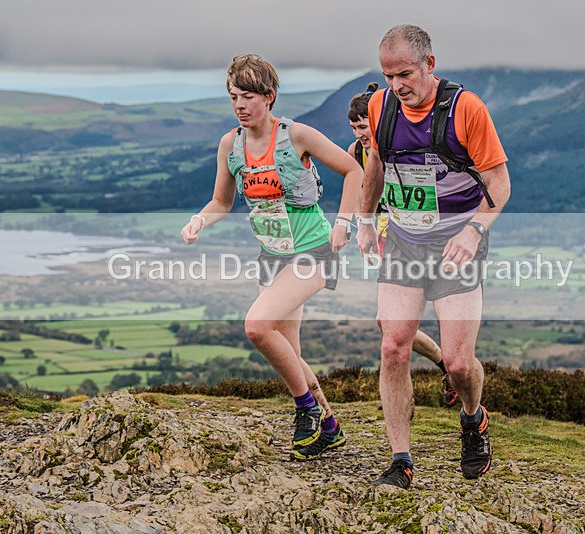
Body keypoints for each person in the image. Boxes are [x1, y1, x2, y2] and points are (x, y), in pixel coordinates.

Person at [181, 54, 363, 461]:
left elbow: (354, 171)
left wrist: (343, 223)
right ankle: (329, 427)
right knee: (290, 354)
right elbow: (221, 202)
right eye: (234, 97)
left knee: (257, 327)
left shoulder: (297, 135)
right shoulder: (230, 145)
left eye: (248, 96)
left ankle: (305, 408)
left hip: (314, 250)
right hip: (272, 256)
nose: (240, 105)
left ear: (270, 96)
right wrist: (199, 221)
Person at [356, 25, 511, 489]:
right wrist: (365, 220)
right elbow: (376, 166)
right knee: (393, 345)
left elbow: (499, 184)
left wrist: (474, 230)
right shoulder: (380, 106)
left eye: (404, 74)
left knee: (459, 363)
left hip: (456, 244)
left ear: (430, 64)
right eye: (388, 76)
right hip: (405, 241)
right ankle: (400, 460)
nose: (396, 85)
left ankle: (473, 417)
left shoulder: (466, 109)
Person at [347, 83, 459, 407]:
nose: (360, 133)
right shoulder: (356, 151)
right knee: (386, 323)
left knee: (391, 323)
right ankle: (439, 368)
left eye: (364, 126)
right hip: (387, 237)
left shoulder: (398, 140)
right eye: (354, 127)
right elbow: (359, 189)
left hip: (423, 236)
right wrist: (360, 224)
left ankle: (450, 365)